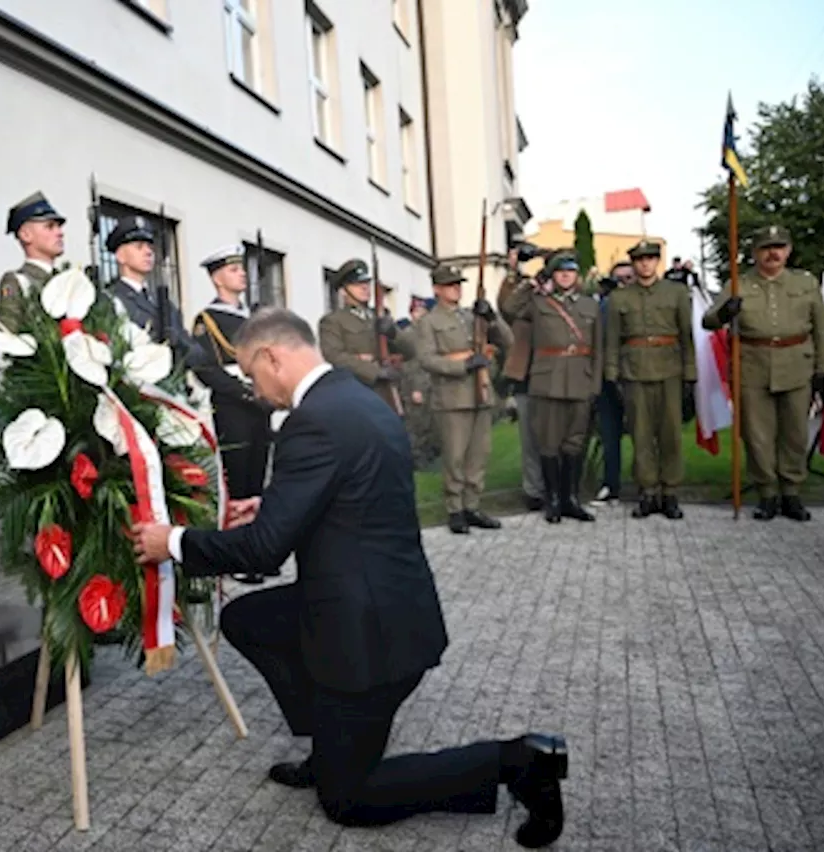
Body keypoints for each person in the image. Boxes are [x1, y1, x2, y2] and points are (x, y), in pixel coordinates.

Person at [129, 308, 568, 849]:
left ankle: (519, 761)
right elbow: (353, 491)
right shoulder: (351, 398)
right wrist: (272, 504)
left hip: (370, 637)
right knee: (248, 618)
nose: (256, 390)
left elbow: (265, 551)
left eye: (250, 374)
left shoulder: (312, 421)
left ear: (272, 357)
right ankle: (330, 740)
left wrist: (170, 542)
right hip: (380, 605)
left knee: (349, 799)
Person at [702, 225, 824, 521]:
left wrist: (823, 369)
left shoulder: (805, 283)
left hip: (797, 363)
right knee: (758, 434)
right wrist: (725, 313)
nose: (773, 253)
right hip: (753, 365)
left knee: (795, 433)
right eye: (766, 247)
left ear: (788, 250)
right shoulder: (739, 283)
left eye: (779, 247)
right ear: (755, 253)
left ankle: (792, 493)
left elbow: (821, 329)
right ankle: (767, 493)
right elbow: (709, 320)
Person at [190, 245, 272, 584]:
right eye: (233, 269)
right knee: (237, 482)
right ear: (217, 277)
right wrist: (243, 392)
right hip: (233, 406)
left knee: (257, 480)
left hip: (261, 404)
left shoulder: (255, 316)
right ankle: (239, 555)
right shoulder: (207, 319)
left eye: (241, 268)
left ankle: (259, 551)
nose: (241, 273)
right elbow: (204, 366)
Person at [503, 252, 600, 523]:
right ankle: (553, 499)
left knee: (574, 443)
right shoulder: (537, 303)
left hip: (580, 378)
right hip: (547, 380)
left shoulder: (589, 306)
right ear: (553, 276)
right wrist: (533, 281)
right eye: (559, 272)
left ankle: (570, 499)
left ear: (577, 276)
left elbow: (598, 348)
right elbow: (509, 308)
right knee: (548, 442)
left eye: (570, 271)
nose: (566, 276)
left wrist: (595, 382)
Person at [417, 265, 513, 534]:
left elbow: (508, 340)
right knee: (455, 456)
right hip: (452, 396)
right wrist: (463, 366)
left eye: (458, 283)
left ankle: (472, 506)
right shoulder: (429, 322)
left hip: (480, 392)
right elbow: (426, 359)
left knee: (478, 455)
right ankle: (455, 509)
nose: (456, 288)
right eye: (450, 284)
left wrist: (492, 317)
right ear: (436, 289)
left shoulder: (473, 316)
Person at [604, 240, 696, 520]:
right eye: (640, 260)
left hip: (669, 368)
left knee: (670, 434)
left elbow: (687, 334)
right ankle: (648, 491)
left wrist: (690, 371)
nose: (645, 264)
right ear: (634, 263)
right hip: (634, 370)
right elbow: (612, 339)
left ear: (658, 262)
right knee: (641, 433)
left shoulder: (677, 292)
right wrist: (611, 372)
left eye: (650, 259)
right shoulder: (620, 298)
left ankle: (670, 492)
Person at [318, 258, 411, 411]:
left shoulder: (380, 316)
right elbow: (334, 356)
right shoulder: (333, 321)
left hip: (387, 392)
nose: (365, 288)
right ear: (343, 291)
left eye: (366, 283)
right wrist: (375, 371)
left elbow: (410, 351)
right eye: (357, 284)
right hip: (355, 391)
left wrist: (393, 333)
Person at [104, 216, 200, 364]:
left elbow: (194, 353)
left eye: (150, 247)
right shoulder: (111, 299)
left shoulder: (163, 303)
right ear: (121, 256)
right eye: (139, 246)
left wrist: (179, 344)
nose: (148, 252)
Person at [498, 248, 546, 511]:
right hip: (527, 376)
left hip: (553, 376)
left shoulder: (556, 302)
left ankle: (555, 486)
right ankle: (533, 489)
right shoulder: (522, 303)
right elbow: (506, 305)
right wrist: (514, 272)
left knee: (553, 437)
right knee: (530, 439)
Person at [591, 262, 633, 505]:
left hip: (638, 376)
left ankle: (649, 484)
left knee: (646, 434)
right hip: (609, 379)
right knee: (609, 435)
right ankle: (610, 485)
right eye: (618, 279)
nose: (623, 283)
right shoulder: (603, 307)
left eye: (628, 278)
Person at [0, 191, 67, 326]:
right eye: (50, 226)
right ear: (25, 235)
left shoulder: (65, 280)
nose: (60, 233)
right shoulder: (18, 281)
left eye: (58, 227)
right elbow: (10, 337)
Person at [399, 297, 438, 470]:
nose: (421, 315)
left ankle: (428, 456)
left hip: (430, 381)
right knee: (415, 425)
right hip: (414, 383)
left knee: (429, 423)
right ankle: (416, 459)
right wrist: (414, 388)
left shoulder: (428, 331)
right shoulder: (408, 334)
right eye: (417, 311)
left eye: (423, 312)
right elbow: (409, 364)